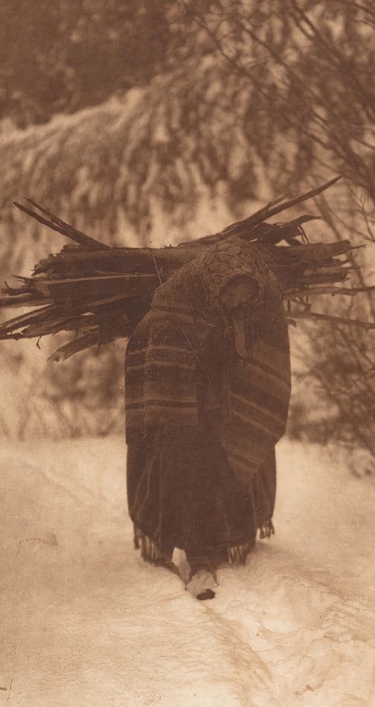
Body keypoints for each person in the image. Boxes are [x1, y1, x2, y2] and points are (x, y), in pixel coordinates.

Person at [124, 238, 291, 599]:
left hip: (227, 398)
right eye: (232, 297)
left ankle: (234, 537)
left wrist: (242, 392)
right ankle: (200, 560)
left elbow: (269, 355)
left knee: (238, 457)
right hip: (180, 396)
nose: (238, 305)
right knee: (189, 467)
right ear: (217, 287)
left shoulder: (264, 297)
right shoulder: (178, 300)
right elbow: (163, 359)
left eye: (245, 298)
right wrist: (187, 407)